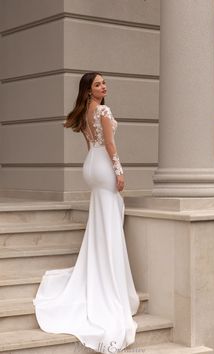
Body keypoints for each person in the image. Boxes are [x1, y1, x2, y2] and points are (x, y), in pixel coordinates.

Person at [33, 72, 140, 354]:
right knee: (110, 222)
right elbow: (110, 145)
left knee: (102, 222)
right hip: (103, 165)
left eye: (104, 83)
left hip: (91, 165)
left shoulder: (83, 112)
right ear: (89, 90)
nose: (104, 86)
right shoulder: (103, 110)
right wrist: (119, 172)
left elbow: (90, 144)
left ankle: (101, 271)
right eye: (98, 84)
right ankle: (110, 285)